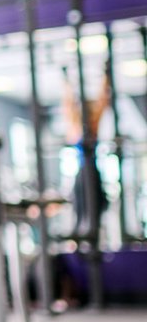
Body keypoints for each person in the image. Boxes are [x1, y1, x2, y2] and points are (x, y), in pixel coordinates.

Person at [60, 60, 111, 239]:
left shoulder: (92, 126)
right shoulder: (75, 128)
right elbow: (68, 105)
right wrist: (66, 80)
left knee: (95, 205)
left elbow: (103, 100)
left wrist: (106, 75)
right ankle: (83, 233)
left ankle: (91, 232)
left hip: (91, 171)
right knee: (81, 205)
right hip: (83, 173)